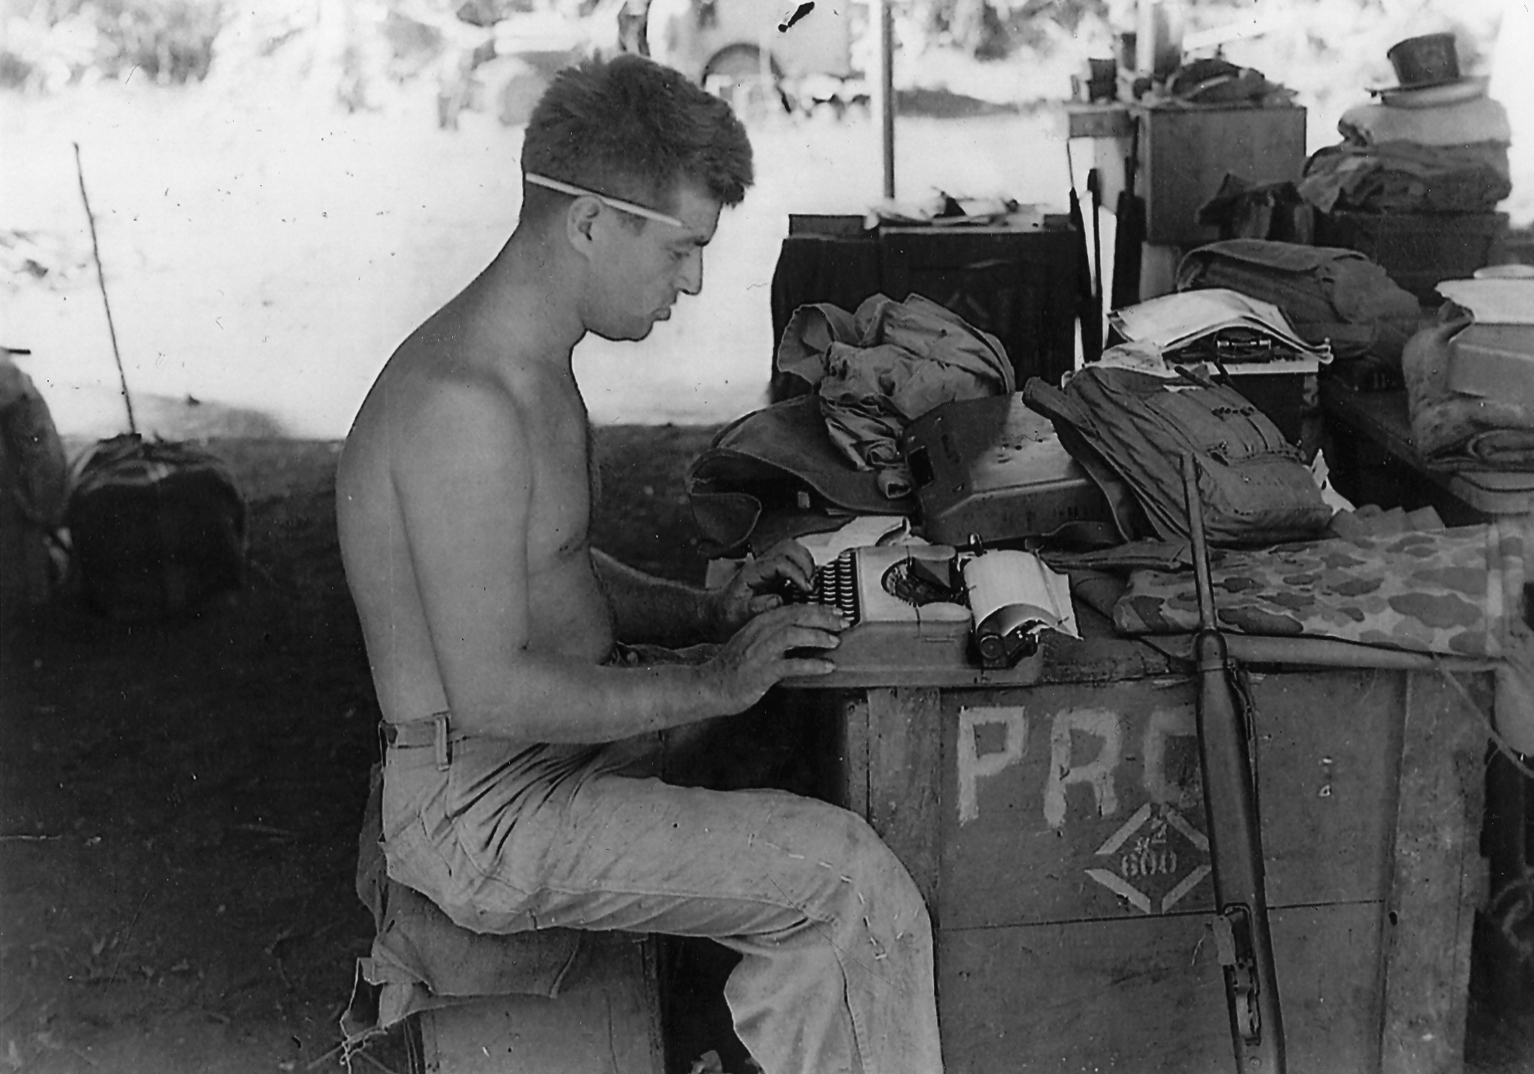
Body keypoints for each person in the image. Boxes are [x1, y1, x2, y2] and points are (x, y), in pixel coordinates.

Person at [335, 54, 942, 1074]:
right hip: (485, 813)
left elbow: (552, 561)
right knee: (848, 887)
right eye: (679, 250)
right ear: (588, 223)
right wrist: (709, 681)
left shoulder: (523, 364)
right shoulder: (461, 408)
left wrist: (709, 615)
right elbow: (490, 690)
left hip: (538, 765)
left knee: (800, 751)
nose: (693, 281)